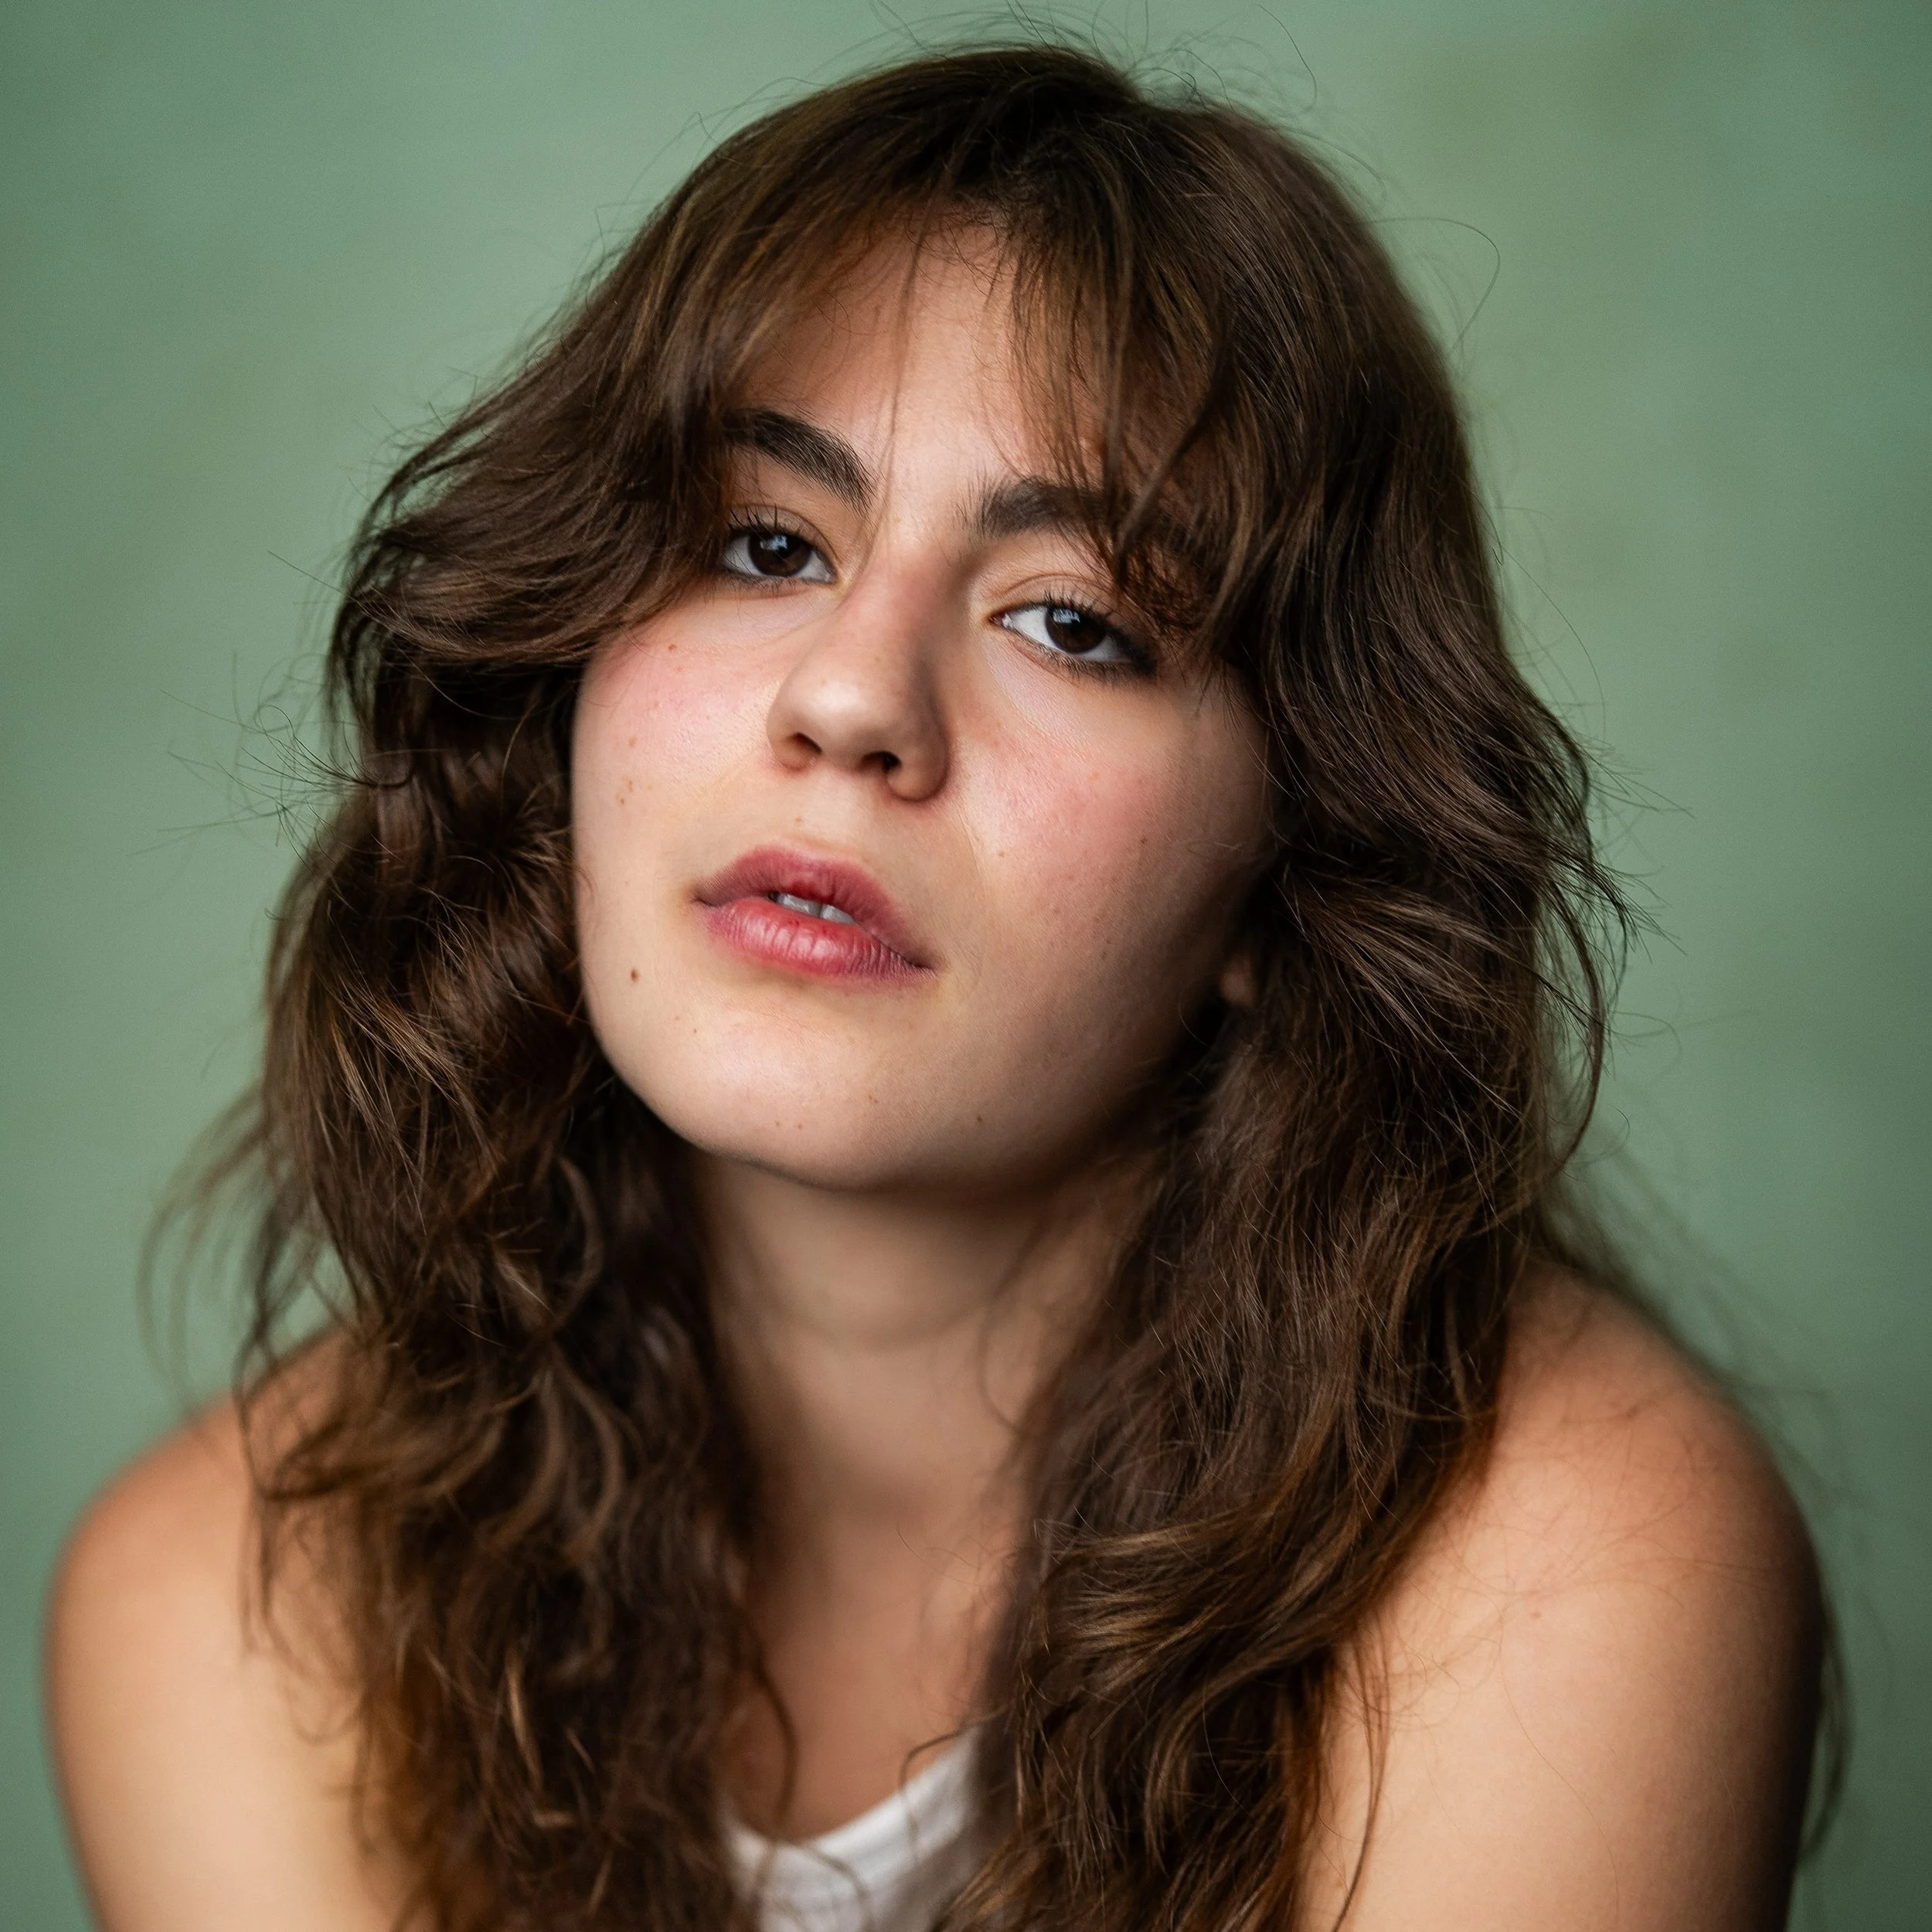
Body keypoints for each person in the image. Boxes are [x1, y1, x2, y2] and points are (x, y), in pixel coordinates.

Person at [46, 44, 1824, 1932]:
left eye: (1073, 621)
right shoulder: (225, 1592)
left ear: (1290, 868)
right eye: (764, 542)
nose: (851, 698)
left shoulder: (1575, 1562)